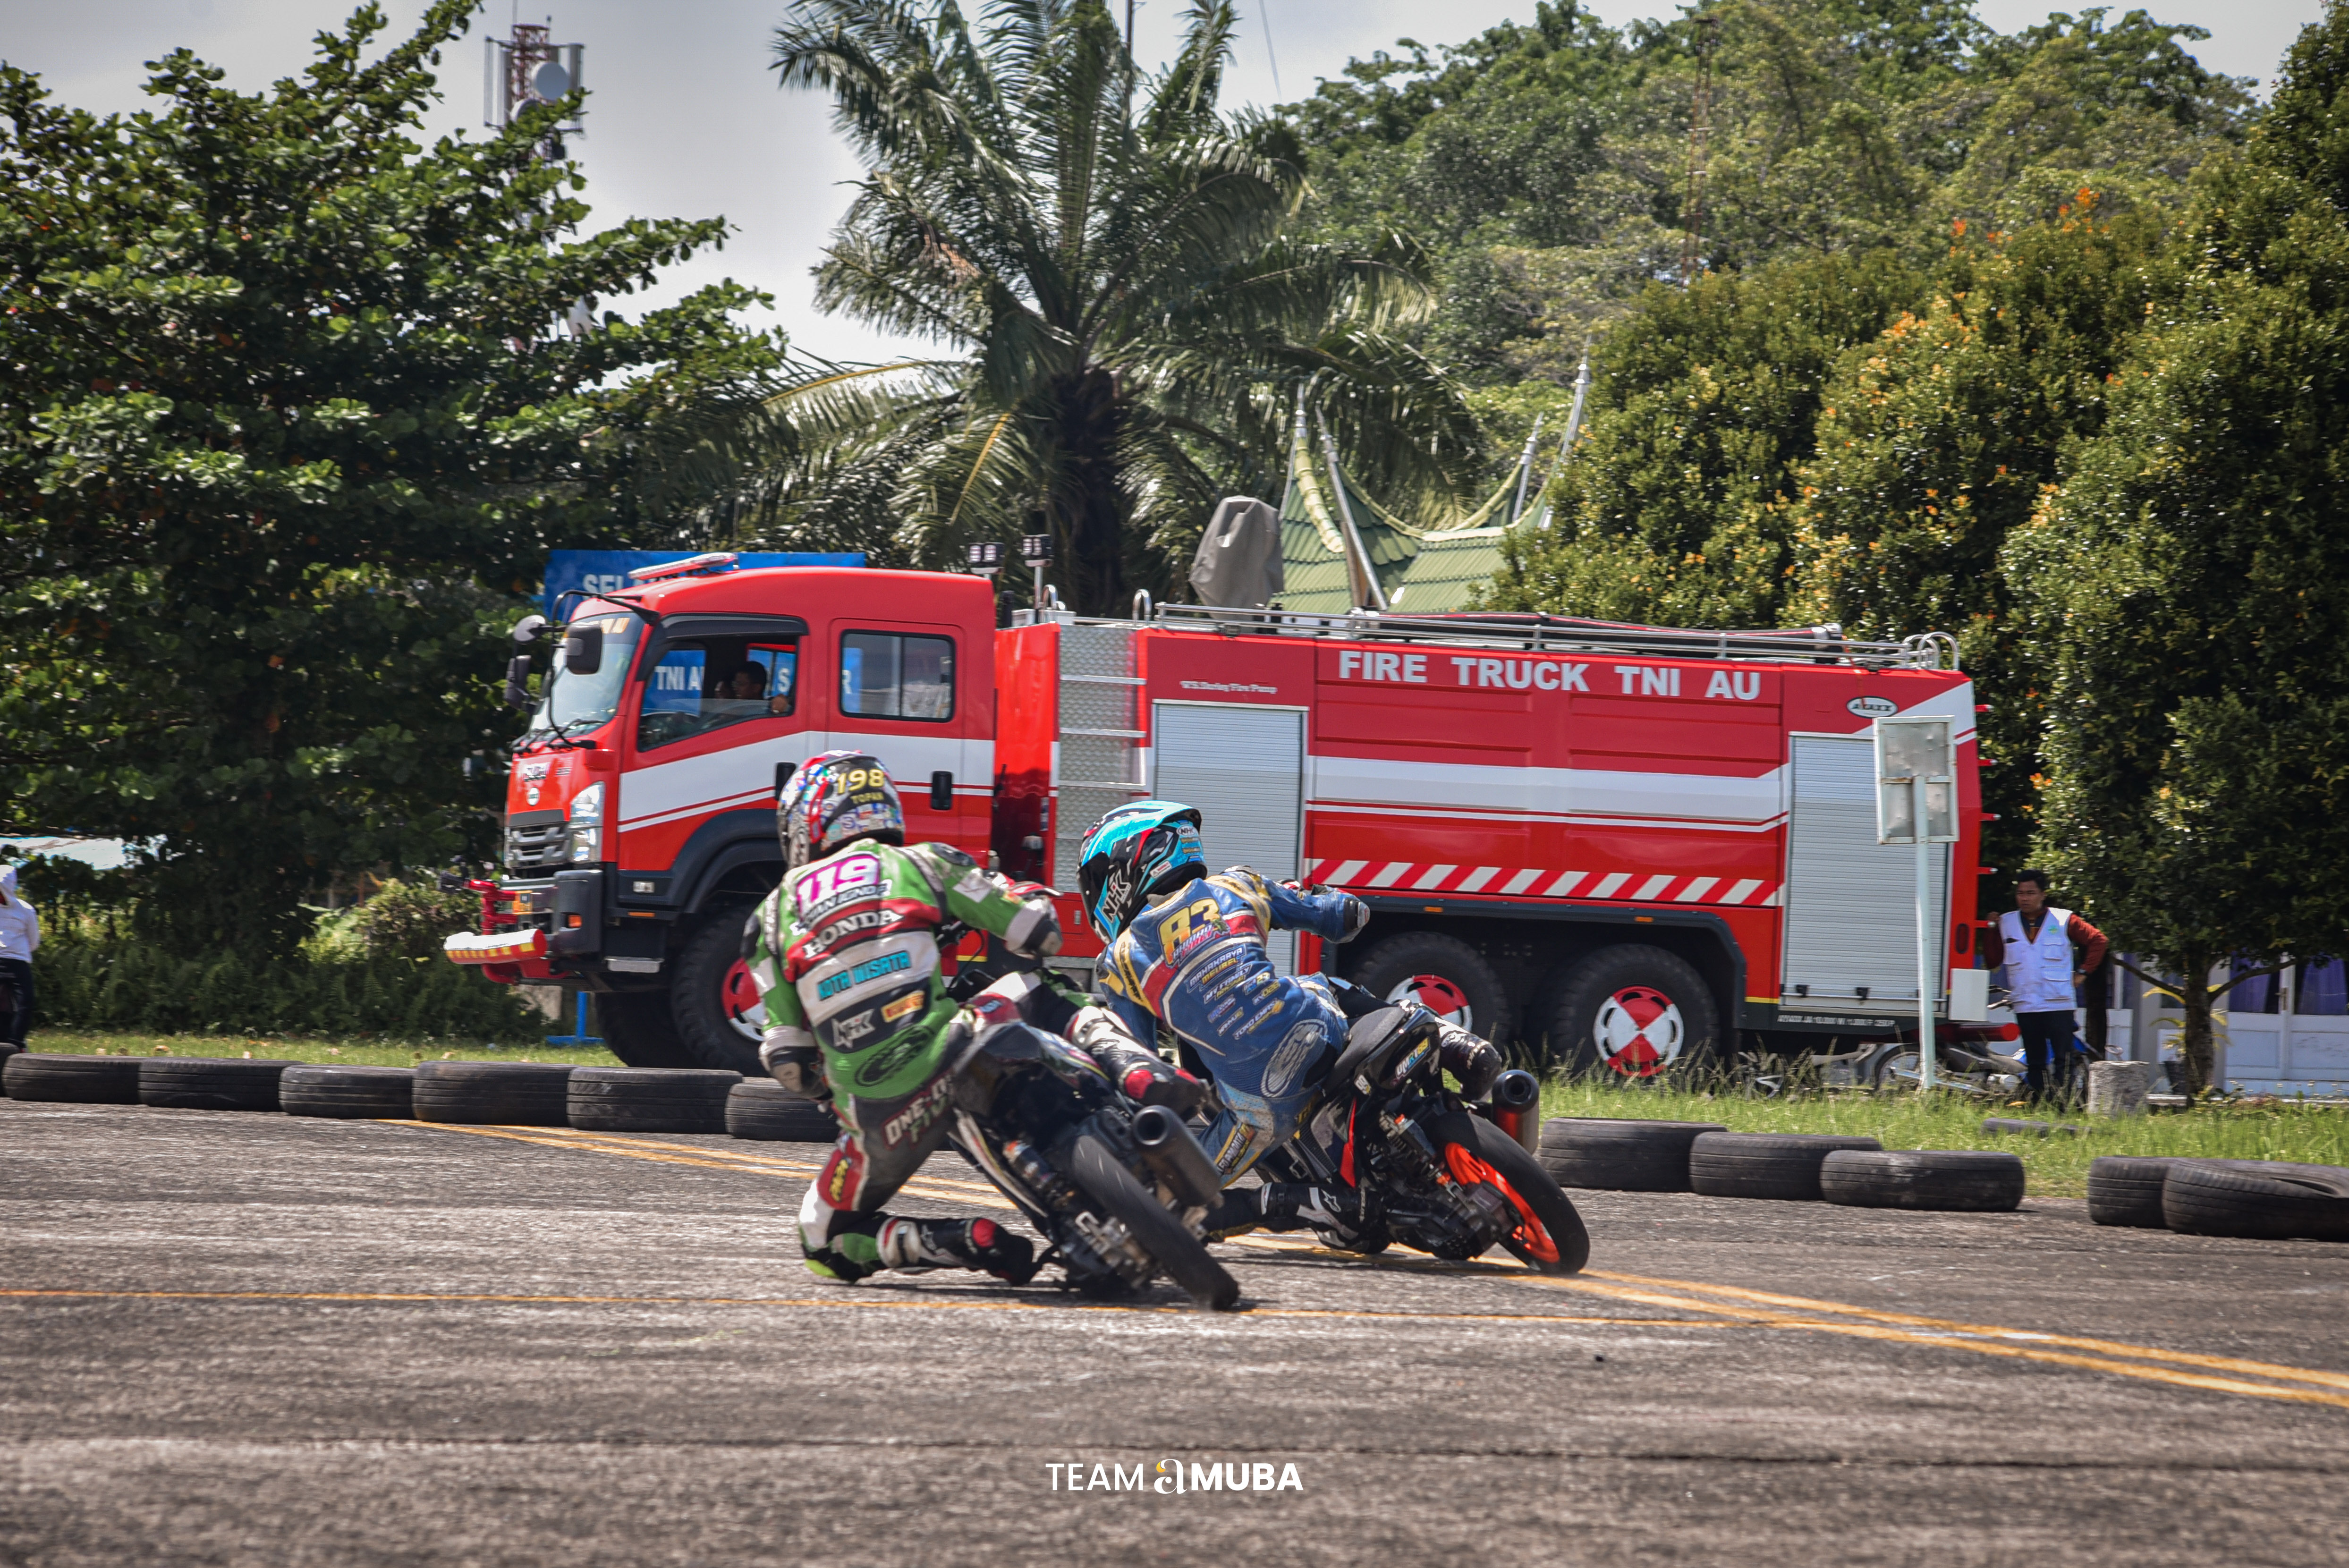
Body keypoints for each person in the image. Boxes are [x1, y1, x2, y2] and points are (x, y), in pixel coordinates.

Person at [1076, 800, 1504, 1237]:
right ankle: (1455, 1042)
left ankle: (1299, 1203)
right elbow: (1345, 916)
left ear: (1124, 870)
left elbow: (1142, 1067)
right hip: (1319, 1030)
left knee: (1168, 1204)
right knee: (1320, 983)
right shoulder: (1237, 884)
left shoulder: (1118, 961)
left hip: (1259, 1108)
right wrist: (1314, 896)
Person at [745, 750, 1070, 1287]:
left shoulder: (767, 919)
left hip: (878, 1112)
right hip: (954, 1045)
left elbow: (788, 1061)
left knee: (819, 1241)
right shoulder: (922, 863)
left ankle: (956, 1240)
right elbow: (1037, 933)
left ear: (807, 824)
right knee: (1042, 988)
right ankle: (1138, 1071)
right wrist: (1028, 899)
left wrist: (829, 1089)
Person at [1982, 869, 2108, 1102]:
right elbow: (1993, 962)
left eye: (2031, 893)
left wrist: (2083, 973)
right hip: (2026, 1002)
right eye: (2020, 893)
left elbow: (2098, 940)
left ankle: (2062, 1105)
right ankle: (2040, 1104)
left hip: (2058, 1001)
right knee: (2035, 1060)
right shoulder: (2006, 922)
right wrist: (1991, 930)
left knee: (2064, 1059)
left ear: (2043, 895)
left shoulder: (2064, 919)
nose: (2024, 898)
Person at [0, 865, 37, 1047]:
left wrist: (17, 952)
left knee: (26, 1002)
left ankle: (15, 1043)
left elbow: (34, 941)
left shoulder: (26, 910)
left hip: (18, 963)